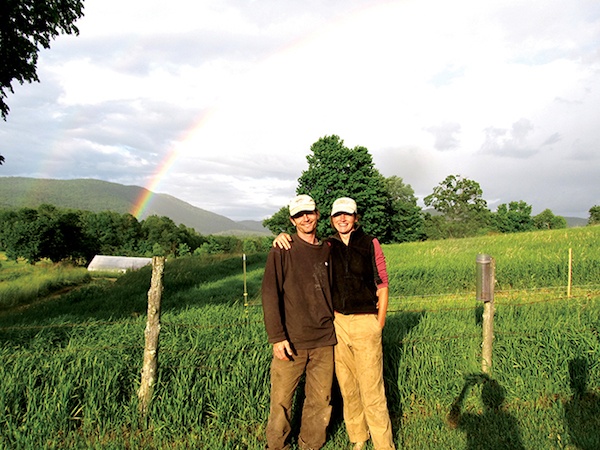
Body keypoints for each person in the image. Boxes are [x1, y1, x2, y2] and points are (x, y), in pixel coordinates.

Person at [274, 197, 395, 450]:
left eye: (347, 214)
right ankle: (358, 438)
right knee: (348, 387)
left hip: (365, 323)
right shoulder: (329, 245)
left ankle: (384, 444)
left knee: (372, 389)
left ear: (355, 217)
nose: (342, 219)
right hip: (338, 324)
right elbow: (304, 246)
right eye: (337, 215)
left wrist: (378, 323)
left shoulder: (369, 242)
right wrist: (282, 235)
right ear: (330, 219)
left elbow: (382, 284)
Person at [261, 194, 337, 450]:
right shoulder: (282, 250)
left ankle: (310, 444)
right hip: (291, 341)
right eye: (298, 215)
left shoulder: (329, 248)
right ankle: (277, 446)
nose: (305, 218)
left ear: (317, 214)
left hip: (325, 340)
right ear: (292, 220)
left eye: (309, 212)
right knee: (281, 401)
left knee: (320, 399)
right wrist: (277, 337)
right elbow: (270, 293)